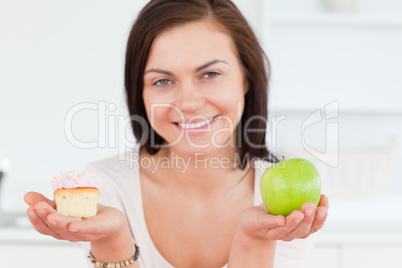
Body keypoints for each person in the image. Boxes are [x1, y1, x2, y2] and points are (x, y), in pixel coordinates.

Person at [24, 0, 329, 267]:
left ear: (247, 79)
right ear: (139, 92)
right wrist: (113, 238)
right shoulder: (109, 187)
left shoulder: (288, 196)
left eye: (210, 74)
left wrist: (254, 238)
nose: (189, 103)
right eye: (162, 81)